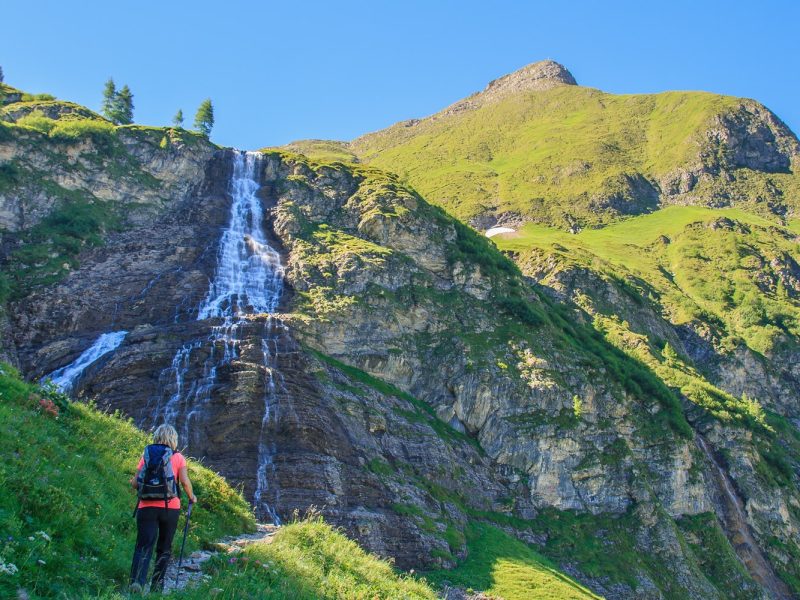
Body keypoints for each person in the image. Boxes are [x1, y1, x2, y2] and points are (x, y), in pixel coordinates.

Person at [129, 424, 198, 593]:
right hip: (170, 507)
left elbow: (136, 482)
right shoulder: (178, 457)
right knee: (164, 548)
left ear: (156, 436)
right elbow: (184, 481)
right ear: (173, 439)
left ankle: (137, 582)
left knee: (143, 545)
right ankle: (157, 588)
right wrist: (191, 496)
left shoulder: (147, 454)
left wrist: (138, 484)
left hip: (146, 506)